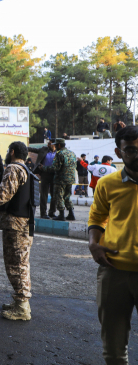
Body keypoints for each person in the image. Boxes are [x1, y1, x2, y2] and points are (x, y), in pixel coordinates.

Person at [87, 126, 138, 364]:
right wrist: (93, 244)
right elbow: (97, 218)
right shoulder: (107, 184)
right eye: (131, 150)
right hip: (114, 271)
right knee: (114, 350)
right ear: (119, 153)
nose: (137, 154)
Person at [0, 141, 37, 321]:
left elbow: (3, 196)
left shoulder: (13, 169)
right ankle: (20, 301)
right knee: (20, 263)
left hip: (15, 224)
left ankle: (22, 307)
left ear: (12, 152)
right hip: (24, 223)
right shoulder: (26, 169)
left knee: (16, 264)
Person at [40, 138, 77, 221]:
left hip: (60, 179)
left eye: (56, 145)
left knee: (59, 196)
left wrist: (44, 168)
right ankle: (71, 214)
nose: (55, 146)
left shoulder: (60, 154)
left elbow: (55, 168)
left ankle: (61, 215)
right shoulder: (72, 153)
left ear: (59, 145)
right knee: (67, 196)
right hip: (70, 179)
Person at [28, 140, 57, 219]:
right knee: (44, 194)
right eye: (48, 143)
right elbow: (33, 149)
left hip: (55, 175)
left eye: (50, 143)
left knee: (54, 194)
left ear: (54, 144)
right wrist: (23, 148)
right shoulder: (44, 149)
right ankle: (43, 213)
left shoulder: (59, 152)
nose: (48, 144)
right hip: (44, 174)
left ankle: (52, 212)